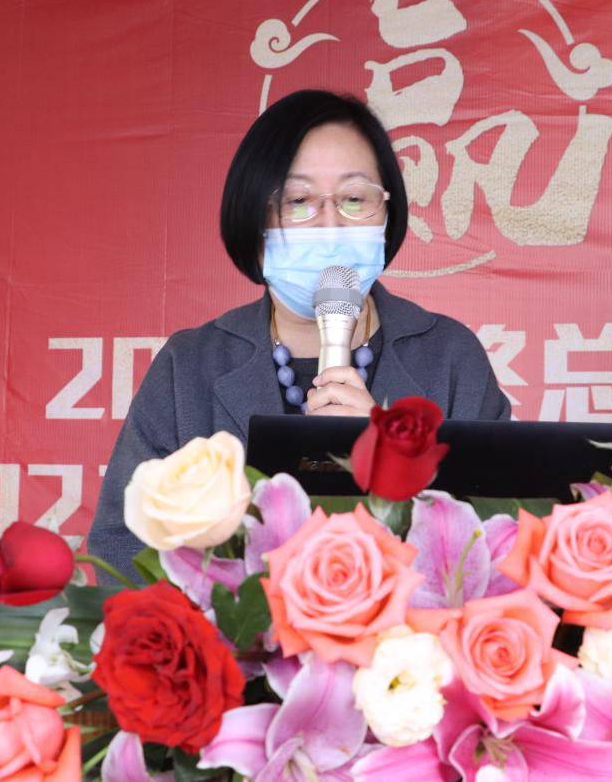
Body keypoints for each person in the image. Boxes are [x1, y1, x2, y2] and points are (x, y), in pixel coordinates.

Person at [87, 89, 510, 577]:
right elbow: (121, 549)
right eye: (299, 201)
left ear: (388, 211)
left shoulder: (450, 357)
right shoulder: (189, 367)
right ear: (253, 218)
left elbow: (500, 539)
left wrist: (394, 472)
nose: (331, 226)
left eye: (355, 199)